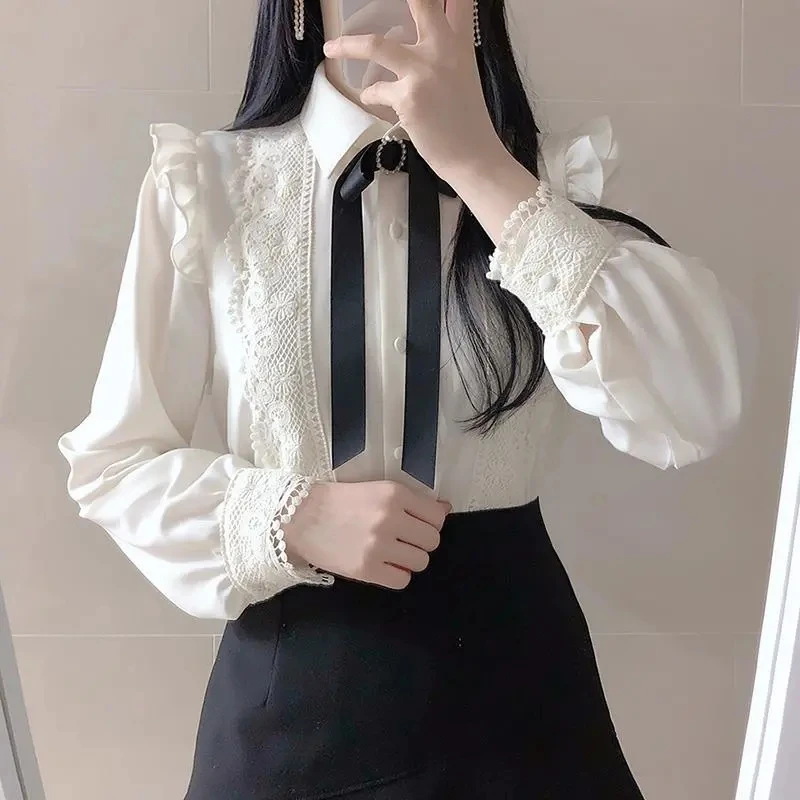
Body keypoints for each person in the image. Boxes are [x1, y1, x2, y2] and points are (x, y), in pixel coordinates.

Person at [57, 0, 744, 797]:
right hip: (292, 703)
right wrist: (290, 517)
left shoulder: (550, 181)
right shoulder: (210, 182)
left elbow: (697, 405)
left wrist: (480, 165)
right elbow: (115, 463)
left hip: (519, 705)